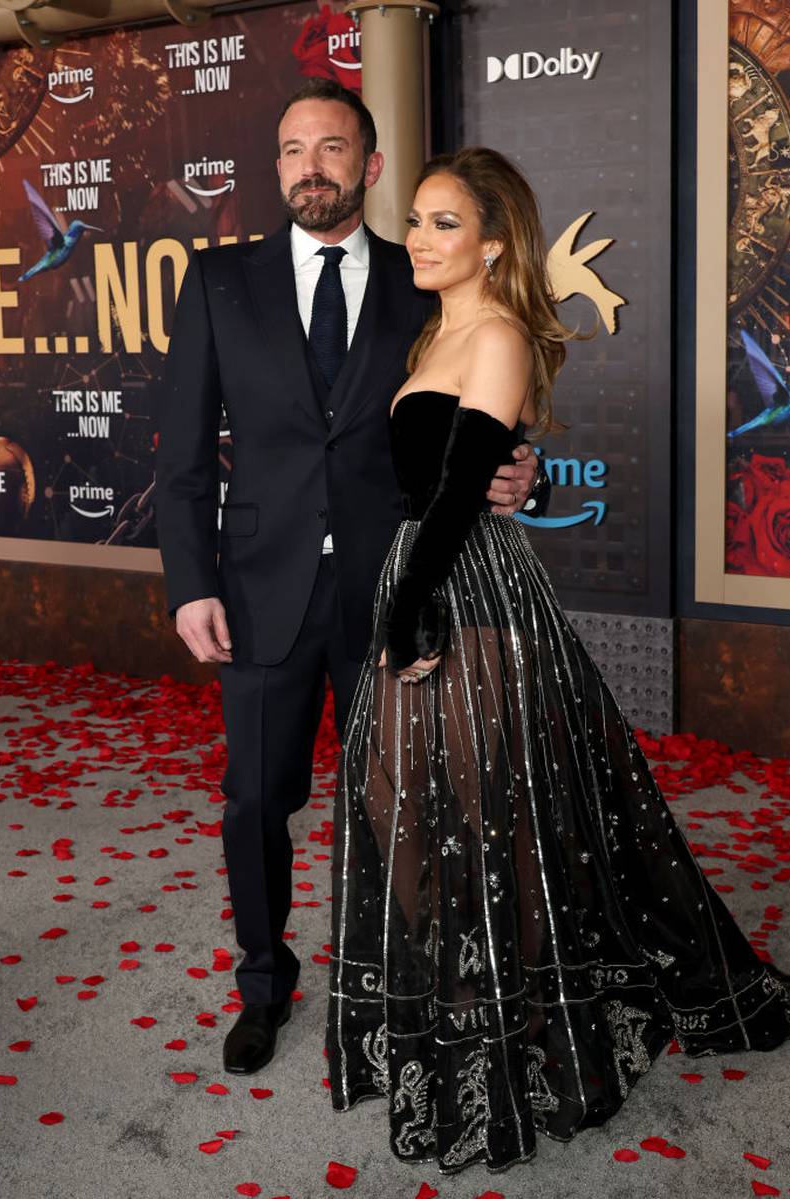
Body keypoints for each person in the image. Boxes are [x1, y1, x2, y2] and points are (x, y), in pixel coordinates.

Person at [325, 146, 790, 1174]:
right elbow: (456, 473)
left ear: (493, 243)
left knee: (485, 817)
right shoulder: (428, 330)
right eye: (415, 218)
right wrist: (509, 485)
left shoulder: (492, 332)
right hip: (419, 575)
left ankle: (520, 1037)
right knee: (402, 803)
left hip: (466, 599)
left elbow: (456, 499)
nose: (416, 235)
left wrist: (407, 618)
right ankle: (462, 1012)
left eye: (442, 222)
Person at [155, 80, 546, 1077]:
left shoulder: (427, 283)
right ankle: (262, 985)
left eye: (333, 147)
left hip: (394, 590)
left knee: (411, 802)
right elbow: (185, 453)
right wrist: (189, 582)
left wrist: (519, 474)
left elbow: (476, 431)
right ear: (275, 165)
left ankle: (420, 985)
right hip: (257, 587)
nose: (310, 164)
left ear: (368, 166)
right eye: (292, 149)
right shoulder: (217, 282)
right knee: (253, 799)